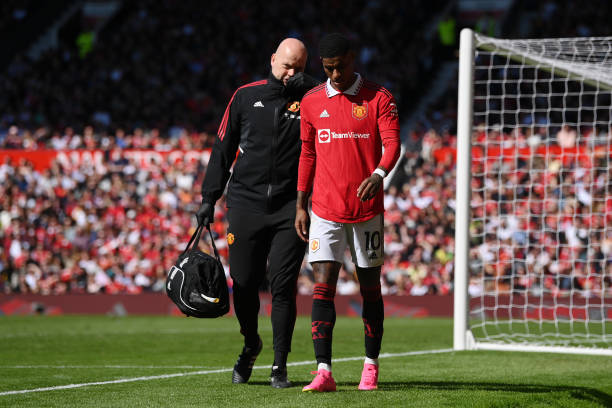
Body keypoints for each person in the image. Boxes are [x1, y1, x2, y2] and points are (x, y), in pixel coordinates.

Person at [196, 38, 318, 388]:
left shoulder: (313, 99)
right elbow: (223, 147)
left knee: (282, 287)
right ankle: (251, 344)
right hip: (246, 204)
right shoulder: (245, 96)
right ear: (272, 60)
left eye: (298, 68)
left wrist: (309, 85)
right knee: (245, 283)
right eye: (286, 66)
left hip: (290, 209)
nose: (290, 73)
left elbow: (337, 97)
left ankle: (280, 365)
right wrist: (209, 198)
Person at [295, 33, 401, 392]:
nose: (335, 74)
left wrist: (379, 174)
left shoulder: (378, 98)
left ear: (352, 59)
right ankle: (323, 371)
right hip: (325, 210)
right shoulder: (311, 102)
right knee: (322, 287)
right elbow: (307, 154)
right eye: (328, 69)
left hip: (366, 210)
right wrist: (300, 203)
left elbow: (393, 144)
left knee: (370, 289)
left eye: (340, 67)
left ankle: (370, 365)